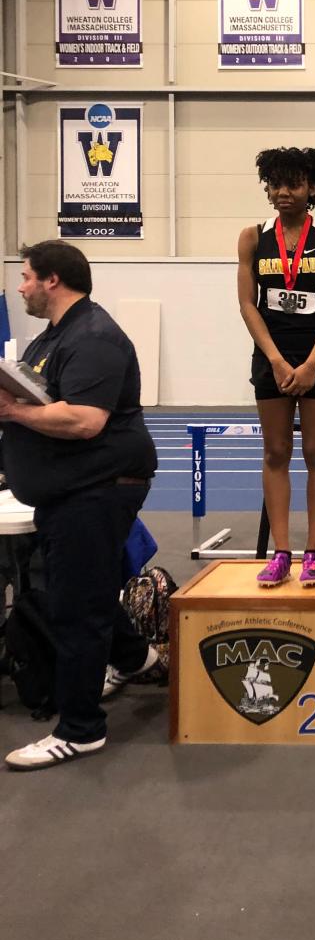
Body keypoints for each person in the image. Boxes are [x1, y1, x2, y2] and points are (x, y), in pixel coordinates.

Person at [0, 241, 158, 770]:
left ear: (51, 280)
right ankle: (138, 658)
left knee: (75, 608)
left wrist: (14, 414)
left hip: (97, 489)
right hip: (69, 492)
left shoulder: (94, 337)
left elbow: (86, 420)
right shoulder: (54, 337)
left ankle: (80, 728)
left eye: (25, 277)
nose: (19, 286)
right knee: (82, 588)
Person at [238, 147, 315, 588]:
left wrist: (312, 363)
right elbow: (248, 304)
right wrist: (277, 360)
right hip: (272, 355)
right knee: (276, 452)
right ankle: (281, 552)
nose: (284, 192)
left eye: (294, 184)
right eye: (276, 183)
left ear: (313, 188)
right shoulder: (252, 237)